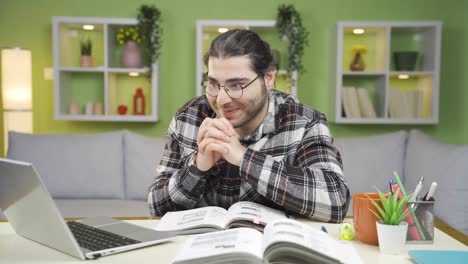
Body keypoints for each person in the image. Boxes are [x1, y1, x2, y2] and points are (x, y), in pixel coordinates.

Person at [148, 29, 349, 222]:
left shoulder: (304, 121)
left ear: (268, 78)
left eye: (236, 85)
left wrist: (244, 158)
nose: (222, 100)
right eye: (214, 84)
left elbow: (335, 201)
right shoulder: (187, 118)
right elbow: (156, 206)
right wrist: (197, 168)